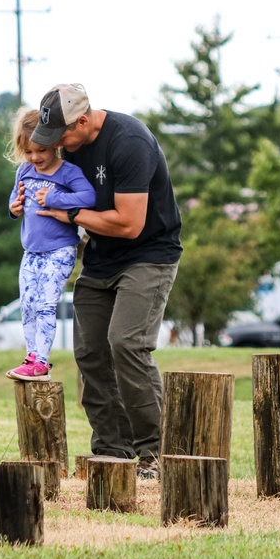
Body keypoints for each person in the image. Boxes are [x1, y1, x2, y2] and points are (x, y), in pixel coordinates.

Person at [31, 83, 182, 478]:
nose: (57, 145)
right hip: (100, 259)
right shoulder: (69, 147)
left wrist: (72, 215)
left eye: (61, 135)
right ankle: (113, 450)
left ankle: (155, 456)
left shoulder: (129, 142)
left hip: (148, 256)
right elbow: (45, 186)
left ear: (83, 120)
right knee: (90, 352)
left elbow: (129, 225)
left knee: (127, 344)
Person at [5, 107, 95, 382]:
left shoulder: (69, 173)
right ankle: (31, 356)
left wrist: (55, 199)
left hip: (59, 250)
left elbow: (89, 197)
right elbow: (14, 197)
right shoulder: (24, 170)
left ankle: (42, 361)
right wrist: (15, 207)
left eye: (40, 151)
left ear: (55, 145)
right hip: (31, 251)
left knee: (45, 305)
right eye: (29, 152)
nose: (35, 158)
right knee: (28, 304)